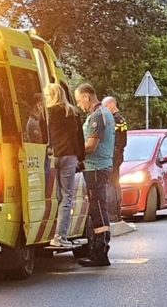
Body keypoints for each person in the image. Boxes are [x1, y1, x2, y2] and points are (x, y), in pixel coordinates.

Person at [73, 83, 115, 267]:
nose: (79, 105)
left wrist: (73, 151)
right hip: (99, 166)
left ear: (86, 97)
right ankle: (99, 249)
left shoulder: (97, 115)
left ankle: (100, 252)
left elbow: (91, 146)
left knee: (97, 209)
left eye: (78, 100)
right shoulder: (104, 113)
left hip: (96, 167)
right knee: (98, 208)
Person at [44, 83, 85, 249]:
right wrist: (81, 158)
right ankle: (60, 236)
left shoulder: (47, 113)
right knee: (66, 197)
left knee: (53, 196)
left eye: (47, 95)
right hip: (69, 156)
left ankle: (47, 232)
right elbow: (80, 138)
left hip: (52, 156)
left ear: (52, 96)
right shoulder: (73, 113)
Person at [102, 96, 128, 222]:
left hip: (112, 155)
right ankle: (117, 213)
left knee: (111, 185)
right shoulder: (121, 118)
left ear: (112, 104)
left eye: (106, 106)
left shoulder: (115, 120)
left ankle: (112, 214)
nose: (104, 109)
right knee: (115, 184)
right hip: (118, 155)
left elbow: (113, 138)